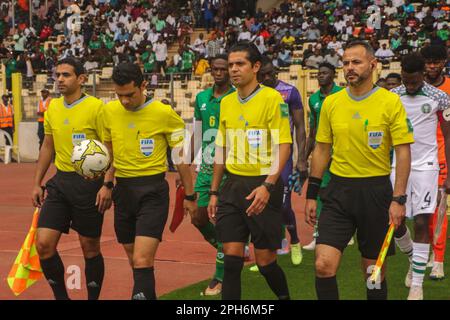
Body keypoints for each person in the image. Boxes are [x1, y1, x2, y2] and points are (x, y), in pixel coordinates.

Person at [305, 41, 414, 300]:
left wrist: (398, 199)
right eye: (345, 63)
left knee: (373, 274)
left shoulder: (390, 102)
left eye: (356, 62)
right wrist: (312, 192)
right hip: (338, 192)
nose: (349, 68)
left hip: (375, 193)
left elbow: (403, 151)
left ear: (373, 64)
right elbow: (321, 149)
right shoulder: (331, 103)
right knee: (323, 265)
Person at [102, 62, 197, 300]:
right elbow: (111, 154)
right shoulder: (109, 112)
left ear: (143, 85)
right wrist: (107, 184)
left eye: (130, 95)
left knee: (143, 259)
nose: (124, 101)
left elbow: (180, 158)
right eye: (119, 95)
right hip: (122, 192)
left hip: (152, 192)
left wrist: (190, 196)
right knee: (135, 260)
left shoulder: (164, 113)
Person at [207, 42, 292, 300]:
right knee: (231, 260)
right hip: (232, 187)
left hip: (263, 185)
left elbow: (284, 145)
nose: (233, 70)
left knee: (266, 263)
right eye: (231, 64)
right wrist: (214, 191)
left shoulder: (272, 99)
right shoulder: (227, 102)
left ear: (255, 67)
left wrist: (268, 186)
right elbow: (221, 147)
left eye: (239, 64)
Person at [31, 58, 108, 300]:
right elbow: (47, 146)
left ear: (81, 79)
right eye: (58, 75)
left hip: (89, 184)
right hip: (61, 182)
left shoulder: (97, 107)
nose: (60, 79)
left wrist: (107, 184)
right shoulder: (53, 107)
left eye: (66, 75)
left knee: (89, 247)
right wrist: (37, 182)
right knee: (43, 245)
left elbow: (110, 147)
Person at [391, 53, 450, 300]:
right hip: (397, 166)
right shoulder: (392, 96)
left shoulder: (440, 97)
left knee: (423, 222)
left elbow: (448, 137)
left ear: (422, 75)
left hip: (427, 166)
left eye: (414, 81)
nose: (411, 86)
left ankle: (417, 285)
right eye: (407, 81)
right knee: (396, 223)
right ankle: (414, 258)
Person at [255, 56, 307, 265]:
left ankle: (294, 241)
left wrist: (301, 158)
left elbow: (301, 127)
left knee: (284, 206)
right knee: (261, 206)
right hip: (259, 157)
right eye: (263, 75)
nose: (267, 78)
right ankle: (267, 254)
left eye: (270, 74)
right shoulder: (255, 93)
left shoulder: (289, 92)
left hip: (282, 156)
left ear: (276, 72)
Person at [191, 54, 235, 296]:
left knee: (224, 220)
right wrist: (185, 164)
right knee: (198, 217)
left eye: (223, 69)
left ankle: (219, 276)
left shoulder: (237, 97)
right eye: (215, 69)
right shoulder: (201, 98)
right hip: (207, 168)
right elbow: (197, 132)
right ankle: (228, 250)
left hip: (231, 168)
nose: (219, 73)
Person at [303, 63, 344, 251]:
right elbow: (312, 131)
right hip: (322, 151)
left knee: (342, 192)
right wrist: (303, 158)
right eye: (319, 73)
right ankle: (318, 235)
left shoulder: (342, 95)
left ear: (334, 75)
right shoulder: (313, 100)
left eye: (325, 73)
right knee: (320, 192)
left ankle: (347, 231)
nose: (321, 76)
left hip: (342, 152)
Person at [421, 45, 450, 280]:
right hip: (420, 158)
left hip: (442, 157)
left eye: (436, 61)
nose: (432, 66)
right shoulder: (415, 88)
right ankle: (428, 253)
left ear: (444, 62)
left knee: (439, 211)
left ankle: (438, 260)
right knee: (423, 213)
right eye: (428, 62)